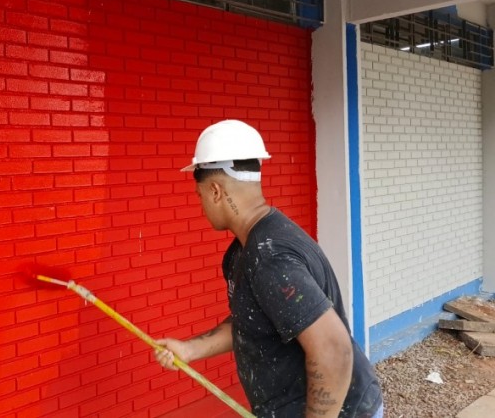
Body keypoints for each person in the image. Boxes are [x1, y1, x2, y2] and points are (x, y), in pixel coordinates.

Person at [155, 120, 383, 418]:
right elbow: (253, 320)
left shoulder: (269, 257)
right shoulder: (246, 250)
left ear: (215, 191)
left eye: (199, 196)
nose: (201, 206)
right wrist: (190, 350)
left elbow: (333, 349)